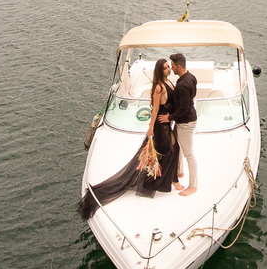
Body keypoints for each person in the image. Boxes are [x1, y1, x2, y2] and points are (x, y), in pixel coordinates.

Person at [78, 58, 180, 219]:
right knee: (168, 150)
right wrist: (150, 128)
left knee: (170, 150)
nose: (169, 69)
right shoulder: (159, 88)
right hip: (161, 125)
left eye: (169, 67)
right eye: (166, 67)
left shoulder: (168, 82)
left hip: (168, 123)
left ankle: (167, 180)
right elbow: (154, 110)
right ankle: (162, 182)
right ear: (160, 71)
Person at [160, 52, 198, 196]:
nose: (171, 68)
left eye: (173, 66)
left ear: (179, 66)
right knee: (178, 147)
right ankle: (179, 171)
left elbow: (183, 109)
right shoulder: (191, 77)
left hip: (186, 122)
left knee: (189, 153)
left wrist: (169, 117)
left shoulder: (182, 84)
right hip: (184, 120)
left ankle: (193, 185)